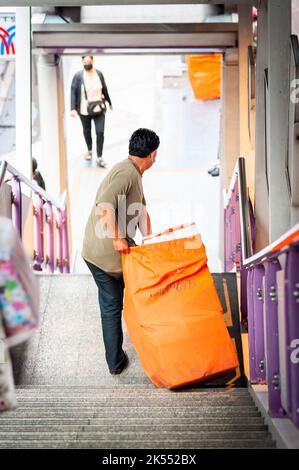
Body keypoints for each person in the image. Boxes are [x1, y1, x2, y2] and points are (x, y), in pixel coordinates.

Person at [82, 128, 160, 374]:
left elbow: (141, 212)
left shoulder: (132, 172)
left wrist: (153, 240)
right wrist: (118, 239)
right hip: (109, 252)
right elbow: (104, 205)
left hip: (93, 251)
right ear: (153, 154)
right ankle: (160, 347)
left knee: (111, 305)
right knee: (148, 290)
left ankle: (116, 363)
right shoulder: (127, 173)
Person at [70, 55, 113, 168]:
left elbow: (105, 88)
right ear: (82, 62)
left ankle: (99, 156)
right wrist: (73, 108)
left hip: (99, 108)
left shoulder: (99, 74)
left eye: (89, 61)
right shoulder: (78, 76)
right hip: (84, 110)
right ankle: (89, 149)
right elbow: (73, 92)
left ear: (93, 61)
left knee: (100, 132)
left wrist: (109, 102)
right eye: (85, 62)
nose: (87, 64)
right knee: (87, 131)